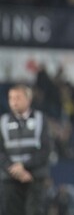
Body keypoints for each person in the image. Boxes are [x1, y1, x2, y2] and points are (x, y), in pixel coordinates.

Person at [0, 84, 52, 215]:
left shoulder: (41, 119)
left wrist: (24, 166)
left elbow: (46, 150)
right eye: (11, 98)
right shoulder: (3, 121)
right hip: (9, 179)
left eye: (18, 97)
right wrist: (14, 169)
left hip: (34, 177)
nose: (13, 101)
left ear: (28, 99)